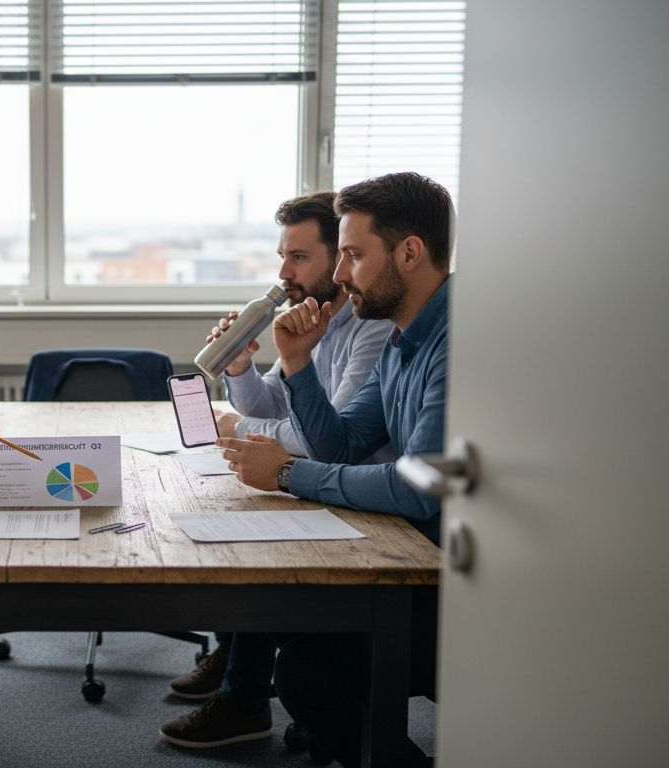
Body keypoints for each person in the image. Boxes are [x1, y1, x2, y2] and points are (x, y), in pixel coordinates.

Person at [165, 172, 452, 766]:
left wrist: (288, 474)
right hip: (404, 547)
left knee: (306, 673)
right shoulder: (404, 338)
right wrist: (294, 361)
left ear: (409, 252)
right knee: (283, 619)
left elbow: (418, 487)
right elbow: (341, 444)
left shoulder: (454, 341)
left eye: (352, 254)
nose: (342, 275)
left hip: (460, 583)